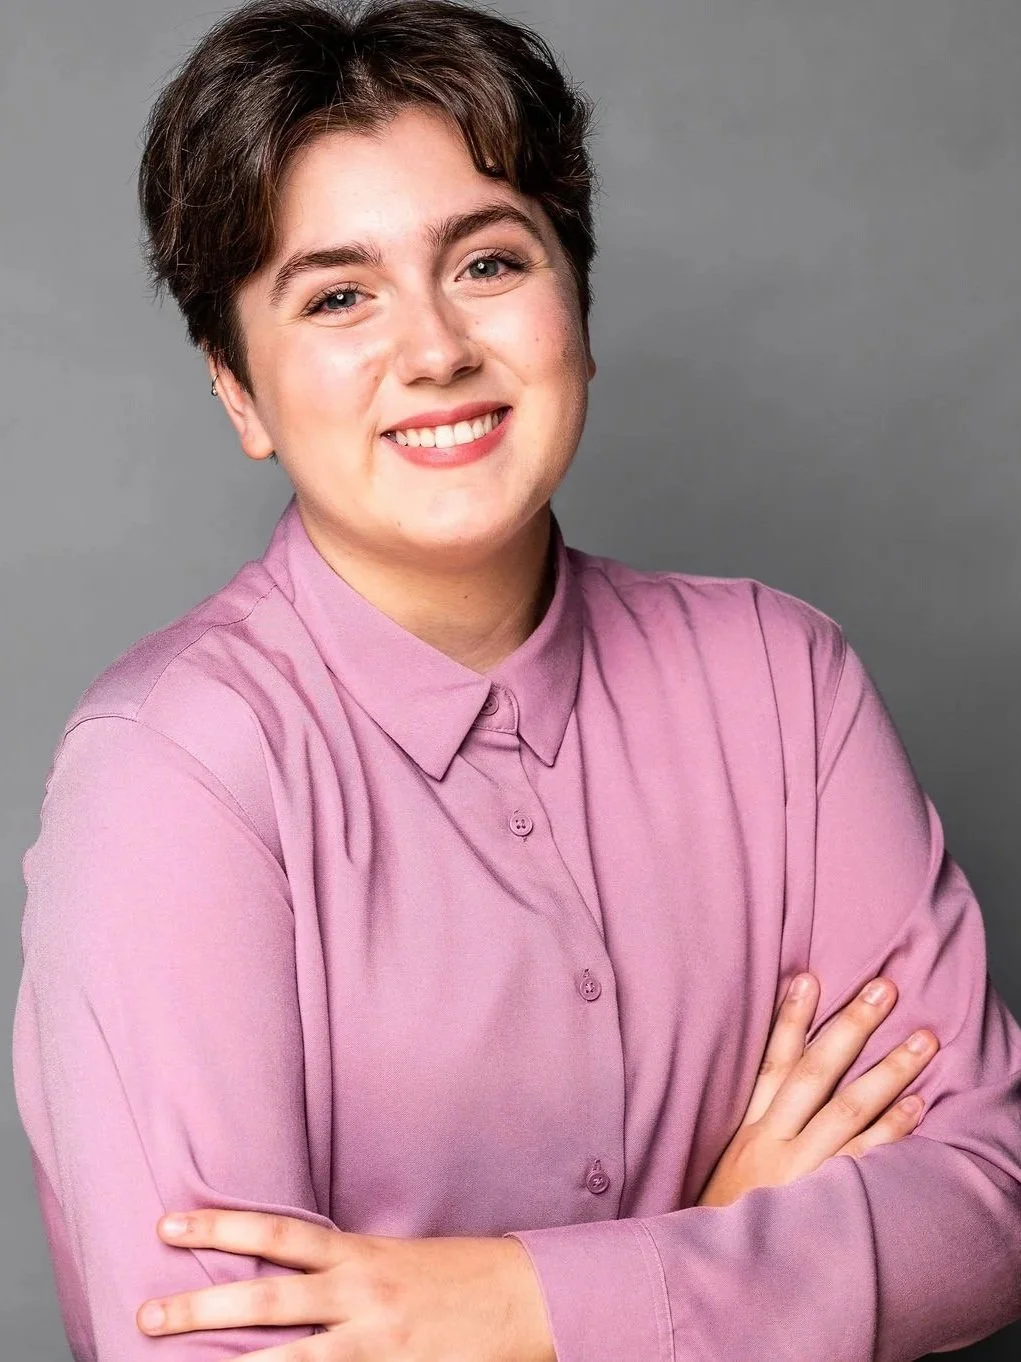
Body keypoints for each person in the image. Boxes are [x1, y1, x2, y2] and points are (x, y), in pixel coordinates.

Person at [10, 1, 1021, 1358]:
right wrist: (720, 1251)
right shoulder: (170, 773)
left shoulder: (786, 682)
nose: (435, 349)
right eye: (338, 295)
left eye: (487, 262)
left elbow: (988, 1198)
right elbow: (207, 1349)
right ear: (239, 391)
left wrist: (511, 1301)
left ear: (578, 308)